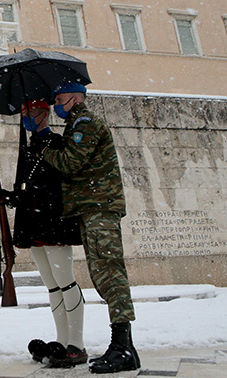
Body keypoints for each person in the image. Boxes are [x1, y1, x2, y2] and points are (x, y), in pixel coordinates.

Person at [40, 82, 141, 374]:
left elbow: (70, 163)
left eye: (59, 99)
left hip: (100, 208)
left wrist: (47, 149)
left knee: (110, 274)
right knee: (102, 274)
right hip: (91, 209)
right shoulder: (75, 125)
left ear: (73, 98)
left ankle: (123, 346)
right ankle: (122, 346)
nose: (56, 105)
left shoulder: (85, 123)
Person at [0, 99, 86, 368]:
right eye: (23, 113)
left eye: (31, 113)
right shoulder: (29, 147)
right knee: (52, 285)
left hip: (53, 220)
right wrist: (11, 197)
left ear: (44, 113)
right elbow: (27, 186)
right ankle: (62, 339)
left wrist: (28, 195)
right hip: (34, 221)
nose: (27, 118)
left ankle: (77, 343)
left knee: (65, 281)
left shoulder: (56, 143)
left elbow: (58, 182)